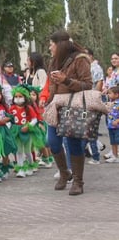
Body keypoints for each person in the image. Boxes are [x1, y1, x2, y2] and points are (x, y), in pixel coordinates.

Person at [42, 31, 100, 196]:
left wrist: (66, 80)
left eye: (51, 44)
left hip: (73, 107)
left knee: (73, 143)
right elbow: (51, 85)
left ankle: (78, 181)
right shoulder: (54, 61)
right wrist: (47, 99)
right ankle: (64, 172)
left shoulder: (80, 59)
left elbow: (88, 85)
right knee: (52, 142)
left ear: (59, 45)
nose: (49, 47)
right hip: (56, 106)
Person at [105, 85, 119, 162]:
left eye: (110, 93)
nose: (108, 95)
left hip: (117, 127)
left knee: (117, 141)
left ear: (116, 94)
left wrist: (117, 121)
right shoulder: (111, 103)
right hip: (111, 126)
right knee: (113, 142)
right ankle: (114, 156)